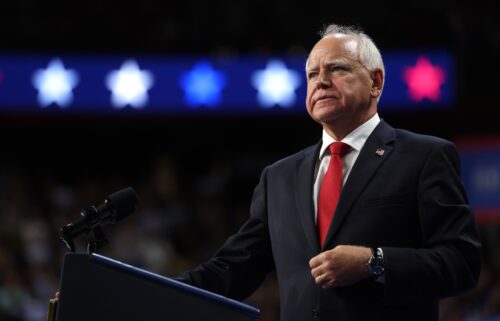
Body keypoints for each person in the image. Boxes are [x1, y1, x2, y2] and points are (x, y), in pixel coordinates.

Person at [176, 23, 481, 321]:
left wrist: (373, 261)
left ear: (375, 81)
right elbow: (233, 268)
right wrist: (153, 289)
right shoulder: (279, 177)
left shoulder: (424, 157)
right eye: (312, 74)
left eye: (337, 69)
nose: (320, 81)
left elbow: (462, 263)